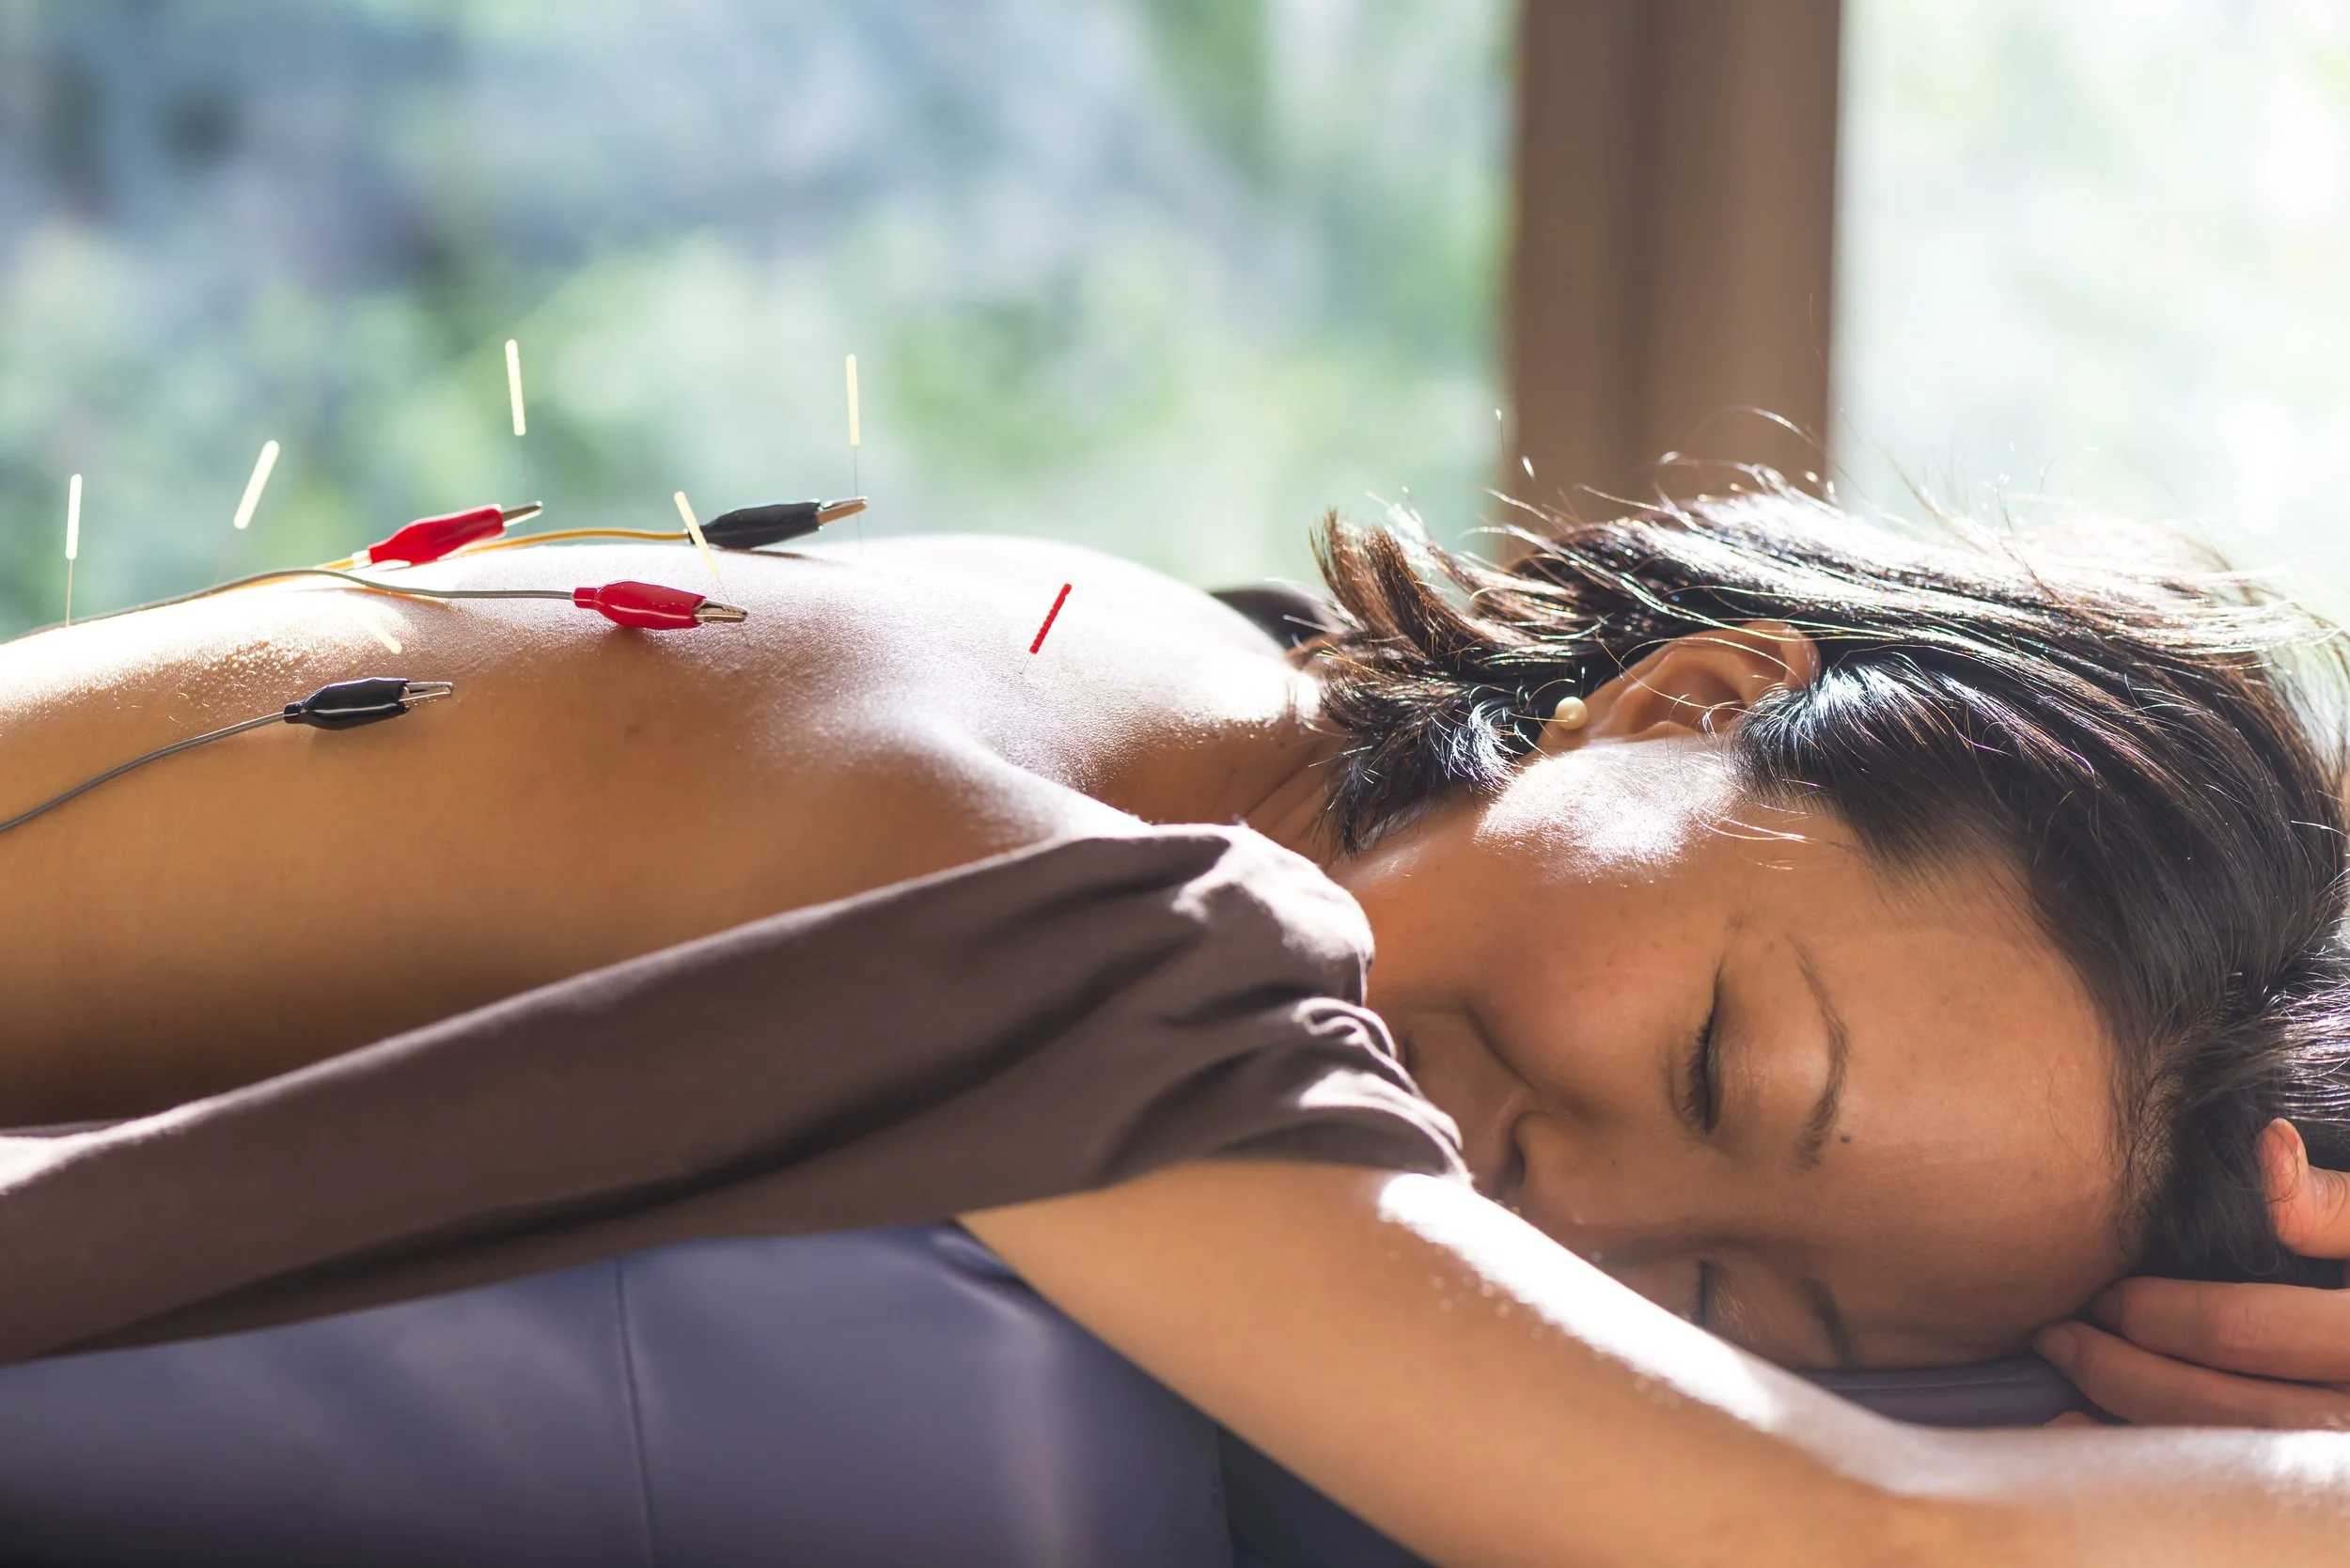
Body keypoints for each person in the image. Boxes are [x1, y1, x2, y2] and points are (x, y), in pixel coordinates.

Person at [0, 481, 2345, 1562]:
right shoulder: (1004, 839)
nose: (1570, 1205)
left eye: (1727, 1297)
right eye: (1727, 1066)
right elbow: (1835, 1526)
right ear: (1692, 690)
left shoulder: (1180, 698)